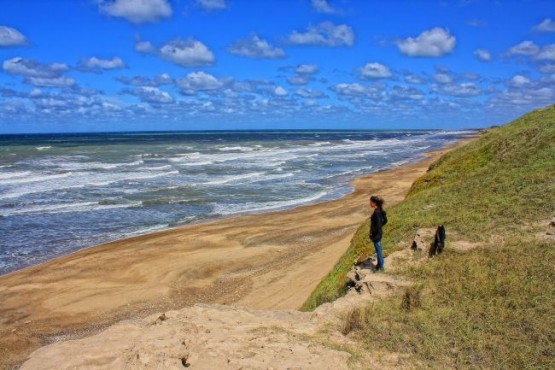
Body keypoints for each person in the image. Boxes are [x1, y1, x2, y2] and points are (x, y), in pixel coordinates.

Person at [369, 195, 387, 271]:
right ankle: (379, 264)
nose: (370, 204)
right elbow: (385, 221)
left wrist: (372, 232)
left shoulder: (376, 212)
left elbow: (378, 224)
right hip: (379, 233)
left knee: (378, 249)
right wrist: (379, 228)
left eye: (371, 202)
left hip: (376, 234)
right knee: (378, 248)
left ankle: (381, 267)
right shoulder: (380, 210)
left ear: (375, 203)